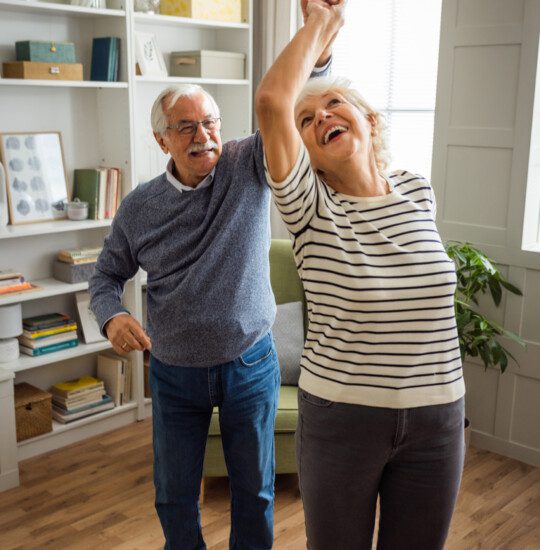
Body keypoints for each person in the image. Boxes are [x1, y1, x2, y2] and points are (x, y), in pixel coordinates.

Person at [88, 9, 334, 548]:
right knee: (174, 494)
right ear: (162, 141)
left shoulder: (247, 164)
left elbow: (295, 106)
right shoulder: (138, 208)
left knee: (257, 491)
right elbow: (105, 276)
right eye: (186, 127)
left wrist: (321, 37)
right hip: (174, 372)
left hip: (249, 361)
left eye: (211, 123)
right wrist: (114, 313)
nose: (203, 136)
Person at [255, 2, 466, 549]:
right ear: (304, 154)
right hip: (342, 421)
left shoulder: (418, 190)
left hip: (438, 418)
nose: (321, 116)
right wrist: (321, 26)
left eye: (334, 104)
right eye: (308, 121)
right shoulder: (309, 207)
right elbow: (272, 102)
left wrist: (324, 50)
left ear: (369, 120)